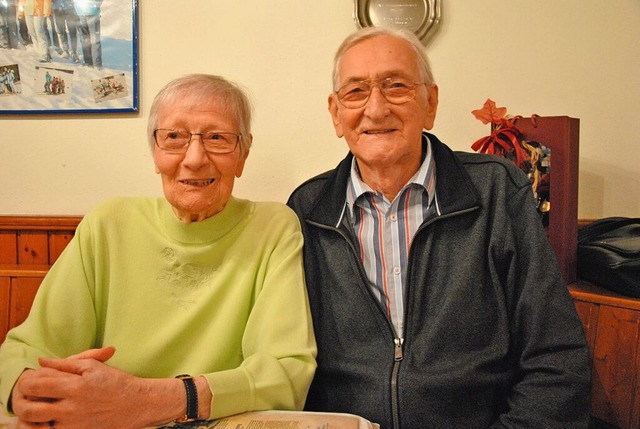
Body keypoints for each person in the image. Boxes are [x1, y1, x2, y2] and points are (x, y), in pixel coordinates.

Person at [287, 27, 591, 429]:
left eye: (396, 86)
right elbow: (292, 367)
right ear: (335, 113)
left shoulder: (497, 192)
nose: (376, 109)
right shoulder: (307, 210)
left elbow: (557, 359)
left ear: (430, 102)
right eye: (356, 91)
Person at [0, 74, 317, 428]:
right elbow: (26, 349)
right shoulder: (109, 224)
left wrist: (148, 401)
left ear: (242, 154)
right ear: (155, 152)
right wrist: (23, 384)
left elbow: (286, 372)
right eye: (174, 138)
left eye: (216, 138)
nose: (195, 158)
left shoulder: (272, 228)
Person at [73, 0, 101, 67]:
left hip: (85, 12)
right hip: (83, 12)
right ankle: (92, 63)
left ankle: (92, 63)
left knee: (88, 39)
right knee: (88, 39)